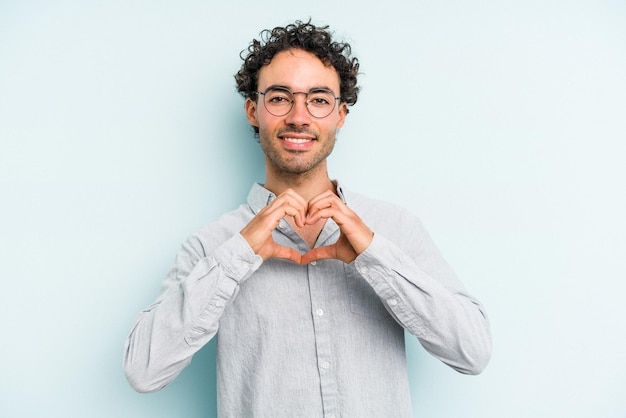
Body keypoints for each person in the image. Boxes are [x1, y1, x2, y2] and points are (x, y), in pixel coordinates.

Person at [123, 20, 492, 418]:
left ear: (341, 115)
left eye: (318, 99)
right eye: (280, 98)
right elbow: (144, 371)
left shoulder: (395, 227)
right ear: (253, 110)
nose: (299, 117)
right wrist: (240, 253)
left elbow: (472, 352)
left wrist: (374, 255)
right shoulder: (213, 245)